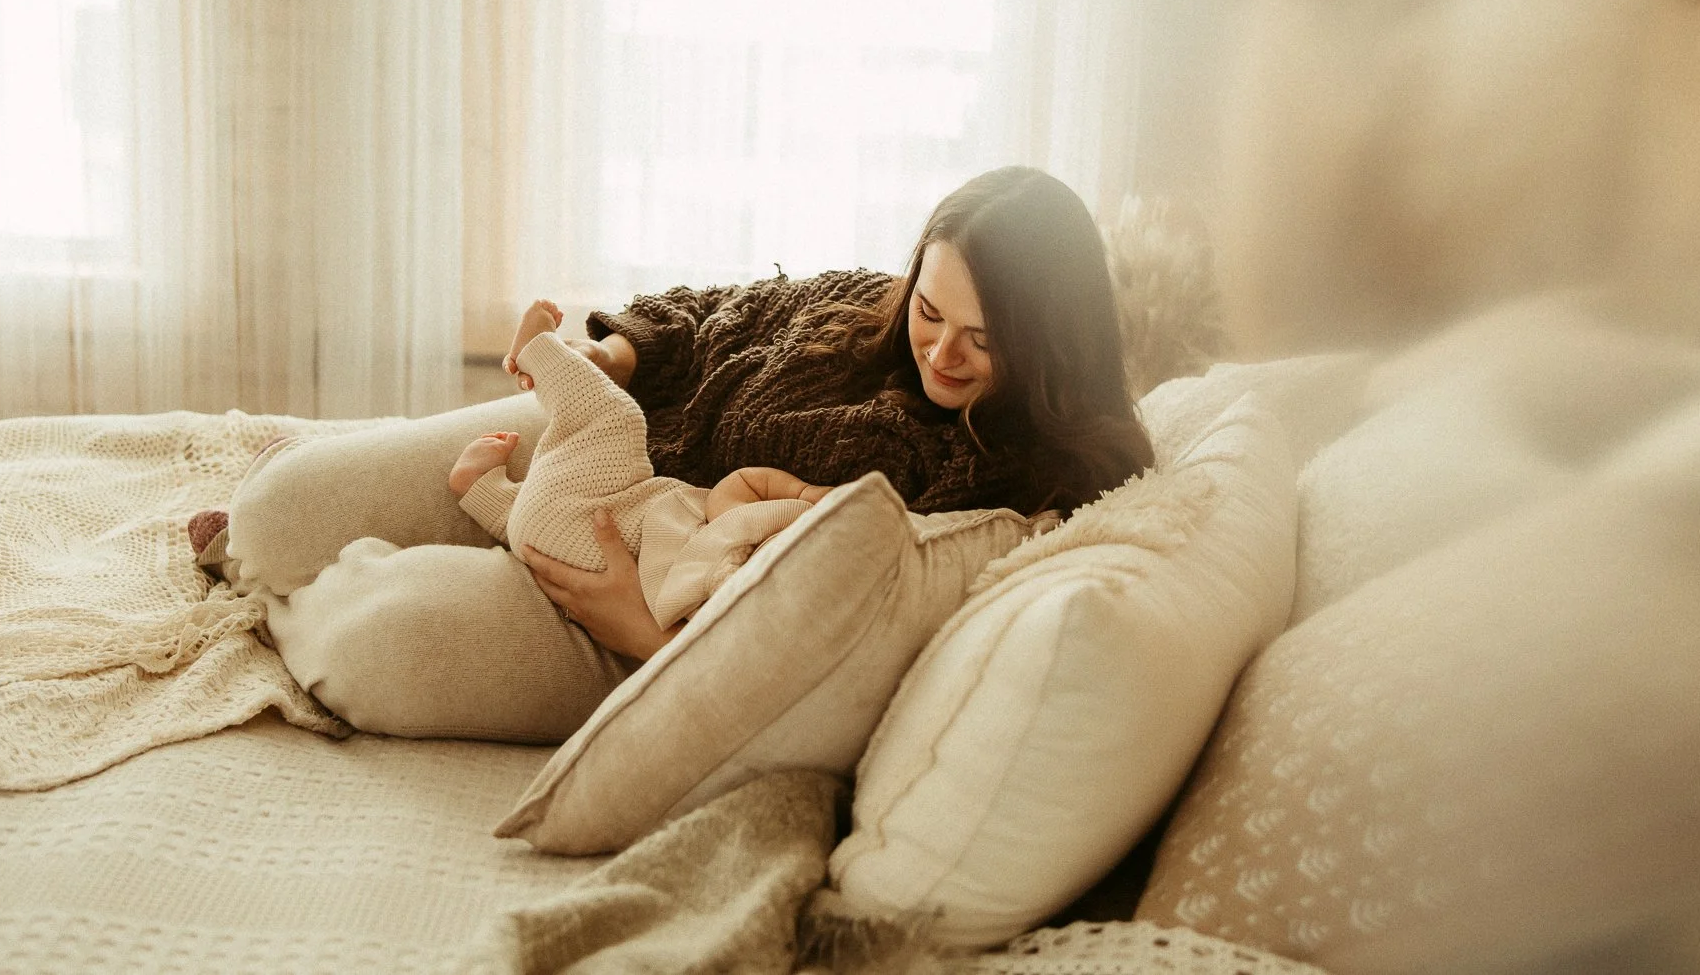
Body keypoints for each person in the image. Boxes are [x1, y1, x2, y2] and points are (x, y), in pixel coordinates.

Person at [207, 166, 1154, 741]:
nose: (940, 352)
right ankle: (252, 556)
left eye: (984, 342)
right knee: (282, 510)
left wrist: (644, 636)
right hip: (612, 445)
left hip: (647, 605)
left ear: (1054, 342)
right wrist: (616, 354)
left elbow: (855, 655)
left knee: (378, 641)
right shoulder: (860, 306)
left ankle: (277, 598)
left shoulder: (1026, 483)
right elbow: (715, 310)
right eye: (931, 311)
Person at [446, 298, 836, 630]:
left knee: (611, 420)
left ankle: (540, 351)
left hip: (588, 532)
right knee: (545, 519)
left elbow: (741, 484)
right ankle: (484, 493)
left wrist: (806, 494)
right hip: (565, 555)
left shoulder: (752, 533)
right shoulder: (745, 608)